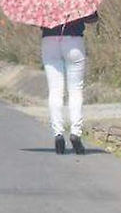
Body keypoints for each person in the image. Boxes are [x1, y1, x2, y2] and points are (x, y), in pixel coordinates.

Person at [41, 12, 99, 155]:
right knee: (75, 90)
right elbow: (92, 17)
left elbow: (34, 20)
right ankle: (75, 133)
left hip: (49, 40)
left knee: (55, 90)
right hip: (74, 41)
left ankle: (58, 134)